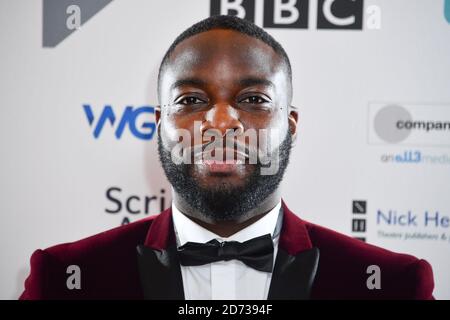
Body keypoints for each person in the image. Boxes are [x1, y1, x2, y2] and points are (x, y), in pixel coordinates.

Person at [20, 15, 434, 300]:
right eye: (192, 99)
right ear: (159, 123)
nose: (220, 122)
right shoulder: (64, 280)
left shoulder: (393, 285)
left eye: (253, 98)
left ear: (290, 123)